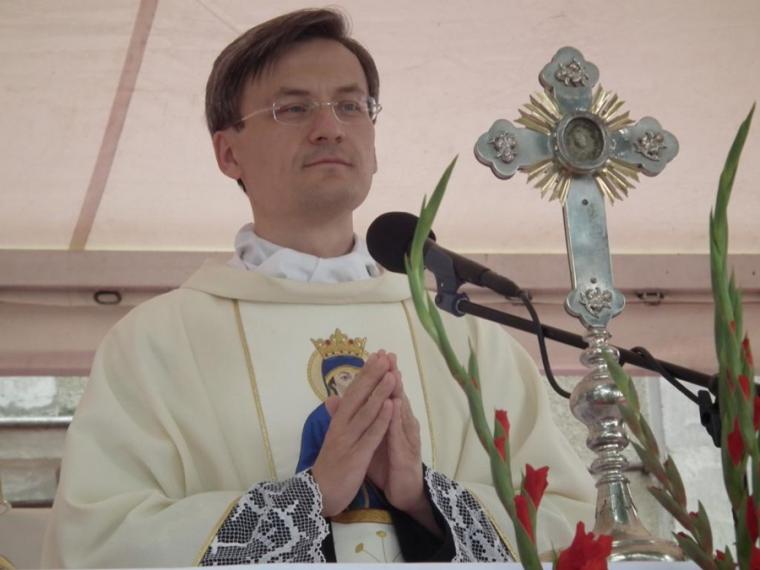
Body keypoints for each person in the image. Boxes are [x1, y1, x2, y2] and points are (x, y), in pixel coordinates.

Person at [41, 8, 595, 567]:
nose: (330, 127)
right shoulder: (157, 344)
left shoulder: (468, 340)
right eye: (294, 107)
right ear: (228, 153)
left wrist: (422, 497)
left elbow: (570, 523)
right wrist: (306, 501)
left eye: (351, 106)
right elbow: (97, 542)